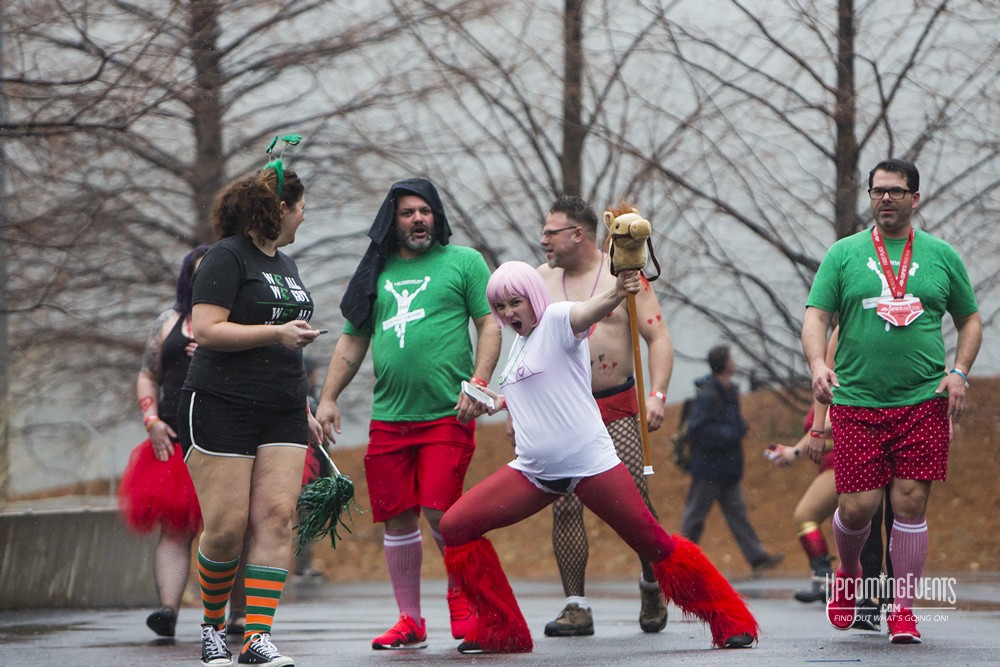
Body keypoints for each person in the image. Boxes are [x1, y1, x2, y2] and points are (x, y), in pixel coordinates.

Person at [438, 261, 758, 655]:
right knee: (455, 526)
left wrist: (619, 290)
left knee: (655, 544)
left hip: (589, 464)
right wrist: (497, 402)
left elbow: (589, 310)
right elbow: (538, 388)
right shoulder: (519, 344)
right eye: (500, 306)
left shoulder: (557, 319)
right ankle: (502, 631)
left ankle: (732, 622)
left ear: (534, 298)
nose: (507, 313)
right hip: (535, 472)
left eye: (515, 302)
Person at [315, 177, 502, 651]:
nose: (418, 219)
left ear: (437, 216)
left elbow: (489, 324)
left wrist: (479, 384)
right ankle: (410, 621)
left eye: (425, 210)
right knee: (398, 519)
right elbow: (354, 338)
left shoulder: (464, 262)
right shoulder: (375, 272)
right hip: (389, 418)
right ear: (392, 222)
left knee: (443, 514)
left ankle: (464, 597)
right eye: (407, 213)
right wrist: (329, 397)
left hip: (447, 414)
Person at [802, 158, 981, 644]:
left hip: (922, 399)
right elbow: (816, 316)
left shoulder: (942, 255)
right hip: (857, 401)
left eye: (896, 191)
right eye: (878, 190)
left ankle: (902, 607)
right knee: (857, 508)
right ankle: (850, 569)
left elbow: (970, 319)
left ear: (914, 198)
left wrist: (959, 372)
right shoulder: (843, 254)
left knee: (910, 502)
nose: (885, 198)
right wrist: (819, 365)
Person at [180, 161, 324, 667]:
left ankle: (258, 638)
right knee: (226, 524)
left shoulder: (285, 264)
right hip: (222, 403)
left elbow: (287, 341)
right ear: (279, 208)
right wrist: (276, 333)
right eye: (301, 206)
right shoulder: (226, 258)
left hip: (283, 406)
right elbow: (207, 329)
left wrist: (306, 406)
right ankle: (213, 628)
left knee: (277, 518)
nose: (304, 216)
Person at [535, 196, 673, 636]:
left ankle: (652, 582)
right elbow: (527, 348)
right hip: (564, 412)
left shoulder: (626, 275)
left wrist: (657, 394)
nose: (543, 240)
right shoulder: (540, 282)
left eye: (551, 232)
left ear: (578, 234)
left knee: (634, 503)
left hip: (616, 405)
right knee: (566, 506)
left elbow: (658, 337)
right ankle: (576, 605)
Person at [120, 244, 211, 638]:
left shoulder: (241, 321)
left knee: (233, 527)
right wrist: (151, 418)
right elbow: (148, 374)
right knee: (175, 528)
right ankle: (167, 611)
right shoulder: (168, 321)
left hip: (228, 438)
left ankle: (240, 617)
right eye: (197, 272)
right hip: (174, 439)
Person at [679, 345, 784, 572]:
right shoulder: (708, 394)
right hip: (708, 468)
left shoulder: (729, 391)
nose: (734, 362)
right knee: (694, 516)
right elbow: (698, 430)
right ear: (725, 364)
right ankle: (679, 559)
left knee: (738, 514)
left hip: (727, 467)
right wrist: (731, 433)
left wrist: (738, 428)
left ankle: (757, 557)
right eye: (732, 358)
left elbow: (728, 423)